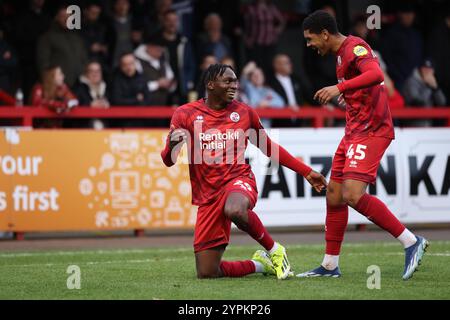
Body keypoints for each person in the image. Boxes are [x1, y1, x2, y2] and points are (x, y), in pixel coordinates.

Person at [161, 63, 327, 279]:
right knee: (207, 272)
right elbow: (168, 161)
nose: (234, 85)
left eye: (235, 81)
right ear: (210, 85)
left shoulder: (244, 112)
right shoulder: (185, 114)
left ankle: (275, 250)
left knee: (236, 210)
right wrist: (172, 146)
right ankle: (260, 265)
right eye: (228, 81)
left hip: (238, 180)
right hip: (208, 195)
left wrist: (305, 172)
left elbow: (268, 147)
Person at [298, 10, 428, 280]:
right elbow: (363, 84)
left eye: (311, 39)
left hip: (372, 130)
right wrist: (351, 93)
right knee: (334, 194)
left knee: (353, 195)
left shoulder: (355, 46)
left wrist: (339, 89)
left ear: (325, 34)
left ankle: (411, 241)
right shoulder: (339, 55)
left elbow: (376, 74)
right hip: (353, 130)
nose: (309, 45)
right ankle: (330, 266)